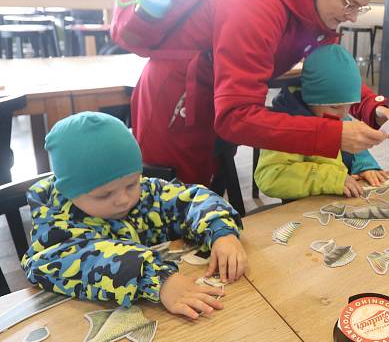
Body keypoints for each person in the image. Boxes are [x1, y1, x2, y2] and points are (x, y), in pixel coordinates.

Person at [124, 0, 389, 188]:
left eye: (360, 7)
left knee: (207, 200)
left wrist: (372, 108)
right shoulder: (254, 4)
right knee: (177, 203)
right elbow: (236, 116)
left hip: (214, 100)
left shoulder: (313, 14)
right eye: (348, 3)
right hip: (177, 105)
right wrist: (333, 135)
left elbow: (334, 72)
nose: (352, 16)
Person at [21, 112, 247, 319]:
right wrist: (158, 279)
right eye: (103, 195)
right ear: (69, 192)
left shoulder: (147, 193)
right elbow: (70, 258)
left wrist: (220, 230)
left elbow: (191, 200)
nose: (123, 199)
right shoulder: (55, 224)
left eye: (131, 184)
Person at [254, 45, 389, 199]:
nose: (343, 114)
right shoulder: (286, 126)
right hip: (305, 208)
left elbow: (352, 148)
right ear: (311, 99)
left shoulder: (332, 113)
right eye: (335, 107)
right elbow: (270, 177)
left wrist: (364, 165)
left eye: (349, 106)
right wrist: (332, 178)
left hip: (335, 201)